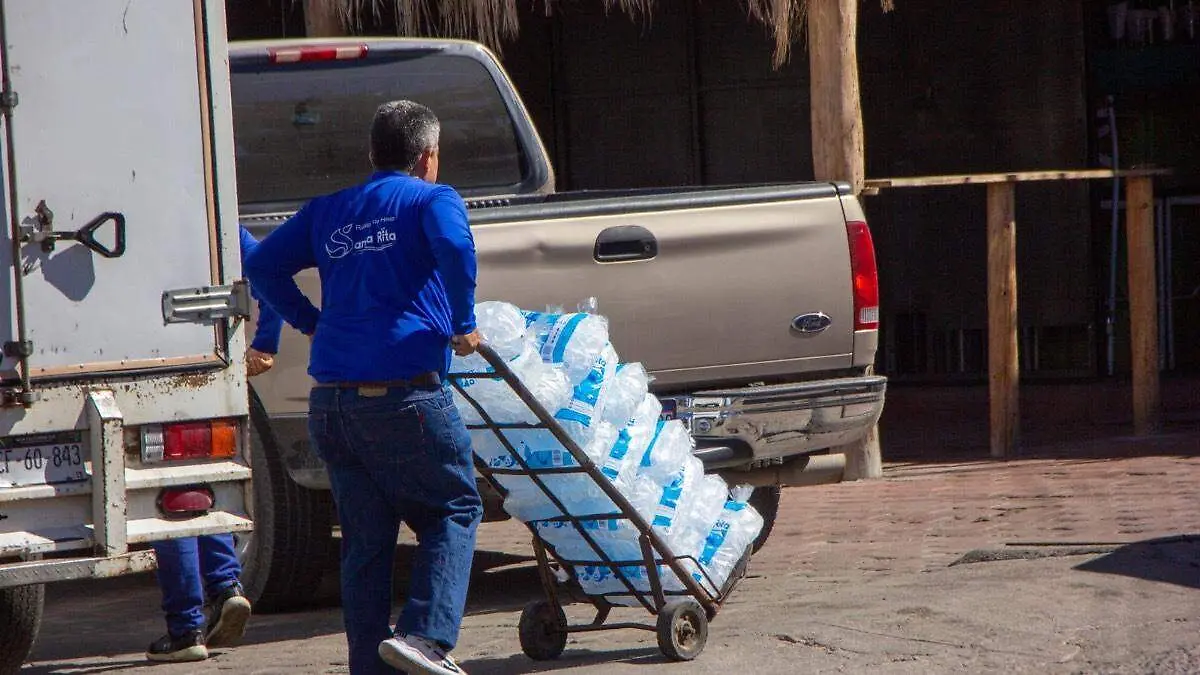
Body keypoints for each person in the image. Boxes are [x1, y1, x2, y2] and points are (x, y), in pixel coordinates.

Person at [244, 100, 483, 675]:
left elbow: (263, 267)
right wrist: (464, 321)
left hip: (332, 406)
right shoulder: (433, 199)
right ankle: (426, 636)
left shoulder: (328, 209)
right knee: (454, 507)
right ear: (427, 157)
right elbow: (455, 247)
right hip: (406, 398)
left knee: (366, 542)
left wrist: (312, 322)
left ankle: (370, 667)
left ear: (373, 154)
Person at [146, 225, 283, 662]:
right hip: (211, 361)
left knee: (168, 495)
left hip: (147, 367)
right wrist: (266, 342)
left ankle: (186, 627)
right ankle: (225, 587)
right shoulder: (211, 216)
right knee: (205, 482)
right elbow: (271, 270)